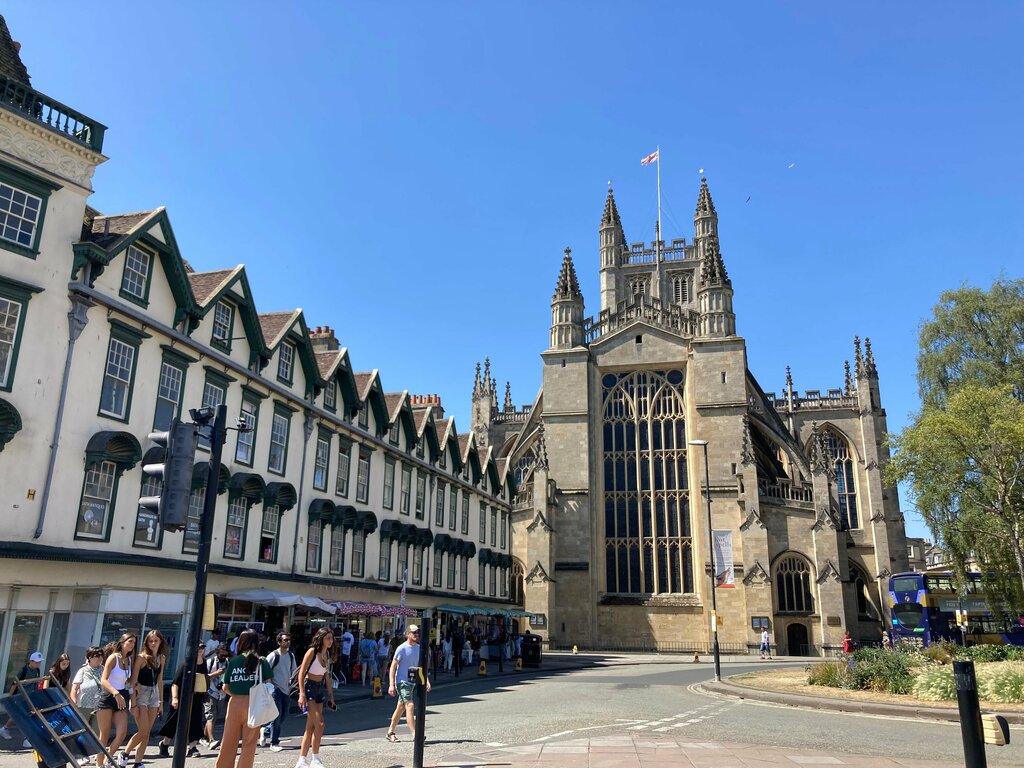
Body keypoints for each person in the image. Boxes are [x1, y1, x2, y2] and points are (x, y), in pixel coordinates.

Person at [215, 629, 272, 768]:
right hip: (254, 703)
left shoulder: (234, 661)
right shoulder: (261, 661)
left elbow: (225, 686)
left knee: (229, 740)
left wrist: (234, 696)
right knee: (250, 742)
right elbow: (269, 683)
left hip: (234, 702)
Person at [123, 630, 166, 768]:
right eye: (150, 641)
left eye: (156, 640)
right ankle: (125, 753)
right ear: (146, 642)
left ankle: (138, 762)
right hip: (141, 693)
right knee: (143, 730)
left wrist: (161, 702)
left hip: (154, 694)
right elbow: (133, 682)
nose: (153, 643)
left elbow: (160, 680)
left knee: (147, 733)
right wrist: (133, 704)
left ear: (160, 642)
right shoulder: (142, 658)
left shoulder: (161, 658)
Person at [295, 627, 337, 768]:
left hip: (319, 688)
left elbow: (327, 676)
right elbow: (301, 673)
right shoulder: (312, 652)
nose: (330, 641)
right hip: (309, 688)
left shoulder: (326, 654)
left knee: (311, 727)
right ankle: (315, 758)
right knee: (320, 724)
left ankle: (302, 760)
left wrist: (331, 696)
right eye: (328, 638)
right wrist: (301, 693)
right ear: (321, 639)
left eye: (331, 638)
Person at [158, 644, 208, 759]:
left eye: (202, 648)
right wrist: (175, 699)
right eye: (198, 648)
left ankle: (192, 747)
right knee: (173, 722)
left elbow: (204, 678)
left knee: (195, 722)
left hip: (196, 698)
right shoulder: (186, 664)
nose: (200, 650)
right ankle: (164, 744)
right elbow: (175, 683)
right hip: (182, 697)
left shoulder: (204, 663)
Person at [95, 633, 137, 768]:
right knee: (105, 733)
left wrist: (134, 689)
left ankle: (108, 760)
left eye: (134, 643)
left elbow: (128, 681)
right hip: (108, 696)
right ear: (123, 642)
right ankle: (99, 764)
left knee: (122, 732)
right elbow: (104, 680)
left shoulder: (129, 660)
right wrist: (115, 693)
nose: (131, 645)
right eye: (129, 641)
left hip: (122, 696)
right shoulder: (114, 657)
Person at [386, 624, 431, 743]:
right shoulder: (401, 648)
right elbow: (393, 666)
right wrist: (391, 684)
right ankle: (416, 734)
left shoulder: (419, 648)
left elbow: (422, 667)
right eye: (413, 633)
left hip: (412, 682)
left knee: (401, 707)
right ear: (407, 634)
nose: (416, 635)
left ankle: (390, 732)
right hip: (402, 681)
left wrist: (426, 680)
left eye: (417, 633)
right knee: (410, 706)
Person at [261, 632, 295, 752]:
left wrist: (292, 682)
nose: (287, 642)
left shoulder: (291, 655)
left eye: (289, 640)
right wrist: (270, 686)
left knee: (284, 714)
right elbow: (265, 671)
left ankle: (265, 730)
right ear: (279, 642)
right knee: (277, 715)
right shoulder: (273, 655)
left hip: (286, 689)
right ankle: (274, 742)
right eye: (285, 640)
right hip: (275, 689)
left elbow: (293, 671)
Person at [2, 650, 45, 745]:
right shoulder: (24, 670)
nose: (38, 664)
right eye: (37, 662)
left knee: (19, 716)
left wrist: (36, 693)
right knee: (24, 717)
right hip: (20, 697)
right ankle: (26, 739)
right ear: (31, 661)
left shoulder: (37, 670)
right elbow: (14, 684)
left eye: (39, 662)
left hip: (30, 696)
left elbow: (36, 683)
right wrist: (10, 697)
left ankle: (5, 729)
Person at [70, 647, 106, 736]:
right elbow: (74, 688)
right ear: (90, 657)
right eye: (97, 655)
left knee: (96, 731)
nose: (100, 658)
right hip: (84, 704)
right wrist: (73, 701)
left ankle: (93, 749)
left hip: (99, 705)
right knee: (81, 729)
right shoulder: (83, 670)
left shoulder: (103, 669)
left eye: (101, 655)